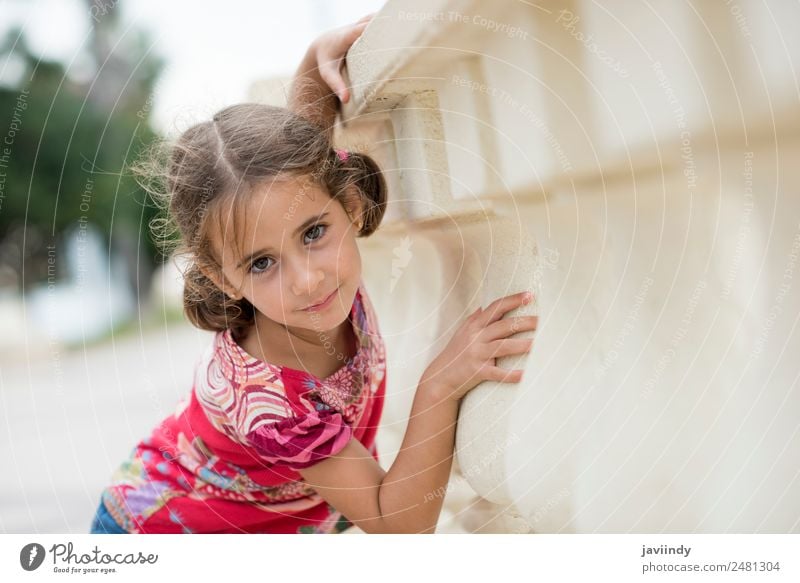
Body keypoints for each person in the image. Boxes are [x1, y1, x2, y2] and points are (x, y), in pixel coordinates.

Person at [89, 14, 538, 534]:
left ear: (346, 202)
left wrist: (314, 57)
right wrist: (439, 383)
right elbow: (400, 523)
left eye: (312, 234)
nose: (306, 278)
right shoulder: (268, 401)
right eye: (261, 263)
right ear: (224, 279)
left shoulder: (308, 220)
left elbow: (305, 143)